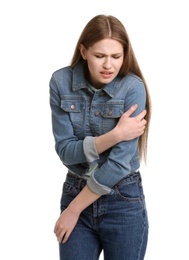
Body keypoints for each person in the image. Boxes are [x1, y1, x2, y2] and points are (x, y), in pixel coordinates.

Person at [49, 14, 151, 260]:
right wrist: (115, 135)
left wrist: (73, 210)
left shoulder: (132, 88)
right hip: (76, 186)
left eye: (116, 56)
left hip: (123, 201)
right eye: (99, 56)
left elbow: (118, 163)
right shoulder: (60, 82)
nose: (109, 65)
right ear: (83, 52)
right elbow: (65, 150)